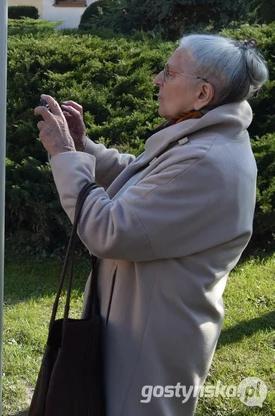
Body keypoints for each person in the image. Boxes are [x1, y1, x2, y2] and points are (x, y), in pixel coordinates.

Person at [35, 35, 269, 416]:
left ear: (202, 94)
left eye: (169, 72)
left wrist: (65, 156)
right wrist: (82, 148)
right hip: (139, 326)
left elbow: (108, 231)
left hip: (152, 342)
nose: (157, 80)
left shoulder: (205, 159)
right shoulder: (202, 137)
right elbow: (140, 179)